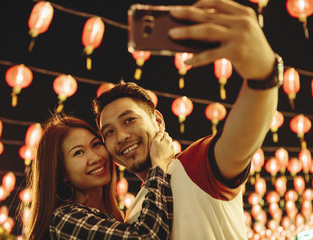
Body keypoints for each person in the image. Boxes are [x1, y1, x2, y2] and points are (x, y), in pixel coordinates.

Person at [93, 0, 281, 239]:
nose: (120, 136)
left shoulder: (195, 165)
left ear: (158, 121)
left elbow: (242, 141)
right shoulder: (138, 210)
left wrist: (263, 74)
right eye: (108, 132)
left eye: (129, 120)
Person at [23, 113, 175, 240]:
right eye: (78, 152)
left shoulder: (112, 218)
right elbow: (147, 236)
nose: (96, 158)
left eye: (96, 144)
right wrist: (159, 165)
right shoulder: (65, 219)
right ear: (61, 172)